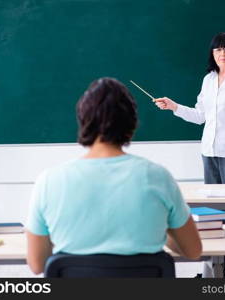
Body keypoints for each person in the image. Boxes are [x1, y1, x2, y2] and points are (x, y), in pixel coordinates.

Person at [25, 77, 202, 275]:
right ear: (132, 122)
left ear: (83, 119)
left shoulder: (50, 181)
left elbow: (37, 264)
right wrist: (161, 228)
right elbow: (193, 250)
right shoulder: (158, 177)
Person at [155, 32, 225, 187]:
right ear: (212, 54)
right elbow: (200, 116)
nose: (222, 53)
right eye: (217, 50)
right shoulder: (208, 80)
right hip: (209, 149)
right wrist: (174, 106)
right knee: (213, 201)